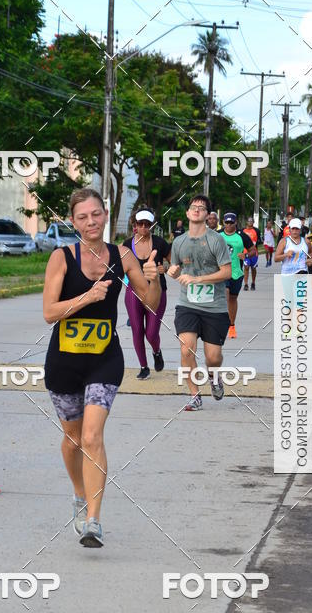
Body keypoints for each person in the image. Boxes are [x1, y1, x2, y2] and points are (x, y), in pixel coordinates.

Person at [43, 187, 161, 548]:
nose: (90, 221)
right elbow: (49, 313)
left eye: (96, 214)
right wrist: (87, 297)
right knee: (73, 439)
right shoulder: (62, 257)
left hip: (104, 359)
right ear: (73, 221)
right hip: (63, 361)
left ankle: (94, 520)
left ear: (106, 215)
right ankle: (80, 495)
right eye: (82, 217)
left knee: (92, 437)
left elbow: (150, 303)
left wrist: (153, 277)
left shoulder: (122, 255)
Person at [168, 195, 232, 411]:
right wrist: (172, 272)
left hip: (215, 307)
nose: (196, 210)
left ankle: (214, 376)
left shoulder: (216, 240)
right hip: (188, 305)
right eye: (193, 207)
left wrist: (198, 279)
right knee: (187, 351)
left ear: (207, 215)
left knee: (213, 358)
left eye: (201, 208)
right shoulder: (178, 242)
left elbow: (227, 271)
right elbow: (176, 270)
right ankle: (194, 395)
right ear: (187, 213)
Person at [122, 207, 171, 379]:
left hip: (156, 291)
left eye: (147, 224)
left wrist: (164, 268)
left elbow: (173, 265)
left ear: (151, 225)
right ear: (134, 225)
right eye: (140, 224)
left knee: (151, 332)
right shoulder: (127, 245)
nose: (143, 227)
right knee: (137, 330)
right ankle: (143, 366)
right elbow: (118, 270)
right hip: (133, 292)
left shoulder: (159, 243)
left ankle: (156, 351)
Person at [219, 212, 256, 339]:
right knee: (225, 293)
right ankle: (221, 324)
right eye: (226, 222)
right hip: (222, 271)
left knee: (233, 299)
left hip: (237, 273)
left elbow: (253, 250)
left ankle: (231, 326)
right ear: (223, 222)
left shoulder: (242, 236)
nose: (228, 225)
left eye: (231, 222)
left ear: (235, 223)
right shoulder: (218, 235)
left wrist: (245, 255)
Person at [242, 217, 260, 291]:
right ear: (246, 222)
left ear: (253, 222)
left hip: (254, 253)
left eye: (251, 221)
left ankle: (253, 283)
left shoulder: (256, 230)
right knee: (246, 267)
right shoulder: (243, 231)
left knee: (253, 268)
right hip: (245, 252)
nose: (250, 222)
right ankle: (246, 284)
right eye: (249, 221)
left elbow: (259, 241)